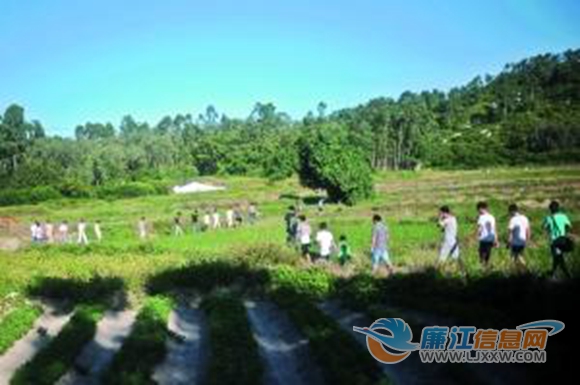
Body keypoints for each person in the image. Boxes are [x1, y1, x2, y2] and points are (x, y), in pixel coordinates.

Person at [543, 201, 573, 279]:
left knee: (559, 259)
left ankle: (567, 276)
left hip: (555, 242)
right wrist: (564, 233)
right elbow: (568, 226)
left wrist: (549, 230)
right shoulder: (563, 216)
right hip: (563, 241)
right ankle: (552, 273)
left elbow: (544, 227)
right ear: (558, 208)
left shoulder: (548, 218)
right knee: (557, 259)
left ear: (550, 209)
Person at [437, 206, 465, 272]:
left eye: (441, 213)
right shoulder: (454, 219)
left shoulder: (447, 220)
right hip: (454, 242)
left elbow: (439, 224)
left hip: (448, 242)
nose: (441, 215)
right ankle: (462, 271)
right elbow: (445, 228)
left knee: (442, 258)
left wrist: (440, 218)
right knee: (456, 257)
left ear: (444, 213)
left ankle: (438, 272)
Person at [507, 204, 530, 269]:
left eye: (509, 212)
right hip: (523, 241)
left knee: (513, 257)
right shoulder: (525, 218)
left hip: (515, 242)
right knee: (520, 255)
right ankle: (522, 270)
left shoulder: (513, 219)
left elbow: (510, 232)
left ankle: (514, 271)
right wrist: (527, 241)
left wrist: (508, 242)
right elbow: (528, 230)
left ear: (511, 211)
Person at [476, 202, 498, 268]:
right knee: (488, 254)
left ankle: (483, 268)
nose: (478, 211)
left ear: (481, 209)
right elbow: (494, 229)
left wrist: (477, 235)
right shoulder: (492, 217)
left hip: (483, 239)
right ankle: (487, 267)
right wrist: (496, 240)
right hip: (491, 238)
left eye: (478, 210)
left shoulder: (481, 217)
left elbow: (480, 228)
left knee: (481, 255)